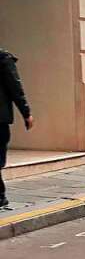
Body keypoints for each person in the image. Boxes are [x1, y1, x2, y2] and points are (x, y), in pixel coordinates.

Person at [0, 47, 33, 209]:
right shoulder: (3, 58)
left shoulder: (3, 59)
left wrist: (26, 112)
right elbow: (15, 88)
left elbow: (15, 89)